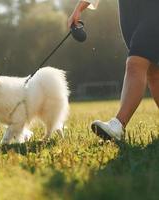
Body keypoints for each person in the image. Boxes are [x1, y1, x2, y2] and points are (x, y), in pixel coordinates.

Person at [68, 0, 159, 140]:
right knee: (153, 73)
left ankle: (118, 125)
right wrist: (79, 8)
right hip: (129, 13)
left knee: (135, 63)